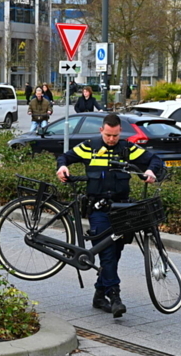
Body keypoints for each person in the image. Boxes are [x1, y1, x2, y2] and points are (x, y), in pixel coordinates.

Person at [57, 114, 160, 318]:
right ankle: (115, 296)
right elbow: (66, 157)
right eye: (107, 135)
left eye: (114, 135)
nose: (111, 139)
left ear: (120, 132)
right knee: (107, 252)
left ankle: (99, 294)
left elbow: (154, 159)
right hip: (98, 209)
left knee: (116, 252)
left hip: (122, 210)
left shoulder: (127, 149)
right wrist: (62, 166)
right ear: (101, 131)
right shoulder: (90, 147)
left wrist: (151, 171)